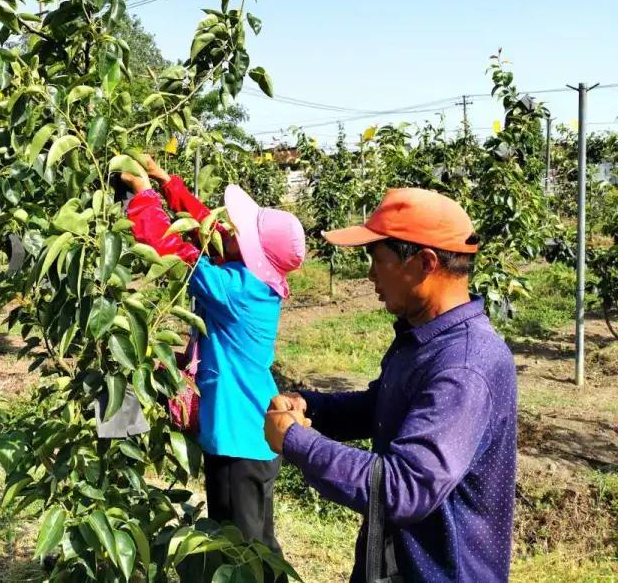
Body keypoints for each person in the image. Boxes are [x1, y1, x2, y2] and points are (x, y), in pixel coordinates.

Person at [264, 188, 517, 583]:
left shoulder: (465, 366)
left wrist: (297, 441)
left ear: (424, 263)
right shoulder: (426, 338)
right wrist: (310, 406)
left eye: (377, 261)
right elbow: (383, 407)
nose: (369, 275)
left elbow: (404, 488)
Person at [119, 155, 305, 553]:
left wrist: (143, 196)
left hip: (238, 439)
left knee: (241, 550)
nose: (227, 231)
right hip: (253, 433)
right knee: (258, 542)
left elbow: (172, 250)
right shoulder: (256, 279)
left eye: (239, 233)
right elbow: (211, 228)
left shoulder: (234, 289)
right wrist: (167, 182)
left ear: (251, 252)